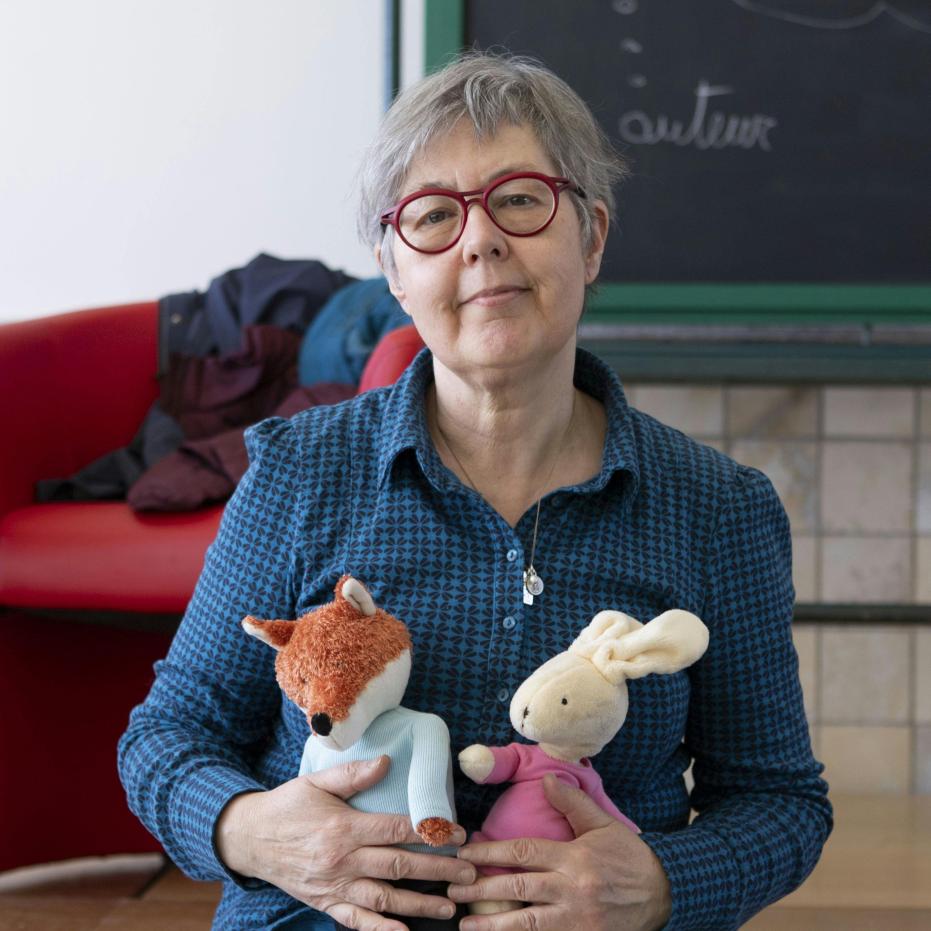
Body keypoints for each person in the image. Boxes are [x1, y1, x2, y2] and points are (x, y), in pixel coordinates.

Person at [118, 52, 832, 931]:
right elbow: (167, 735)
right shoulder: (299, 471)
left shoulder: (717, 508)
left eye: (520, 200)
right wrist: (253, 832)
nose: (480, 240)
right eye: (432, 216)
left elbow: (779, 798)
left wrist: (658, 882)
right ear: (394, 272)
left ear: (591, 237)